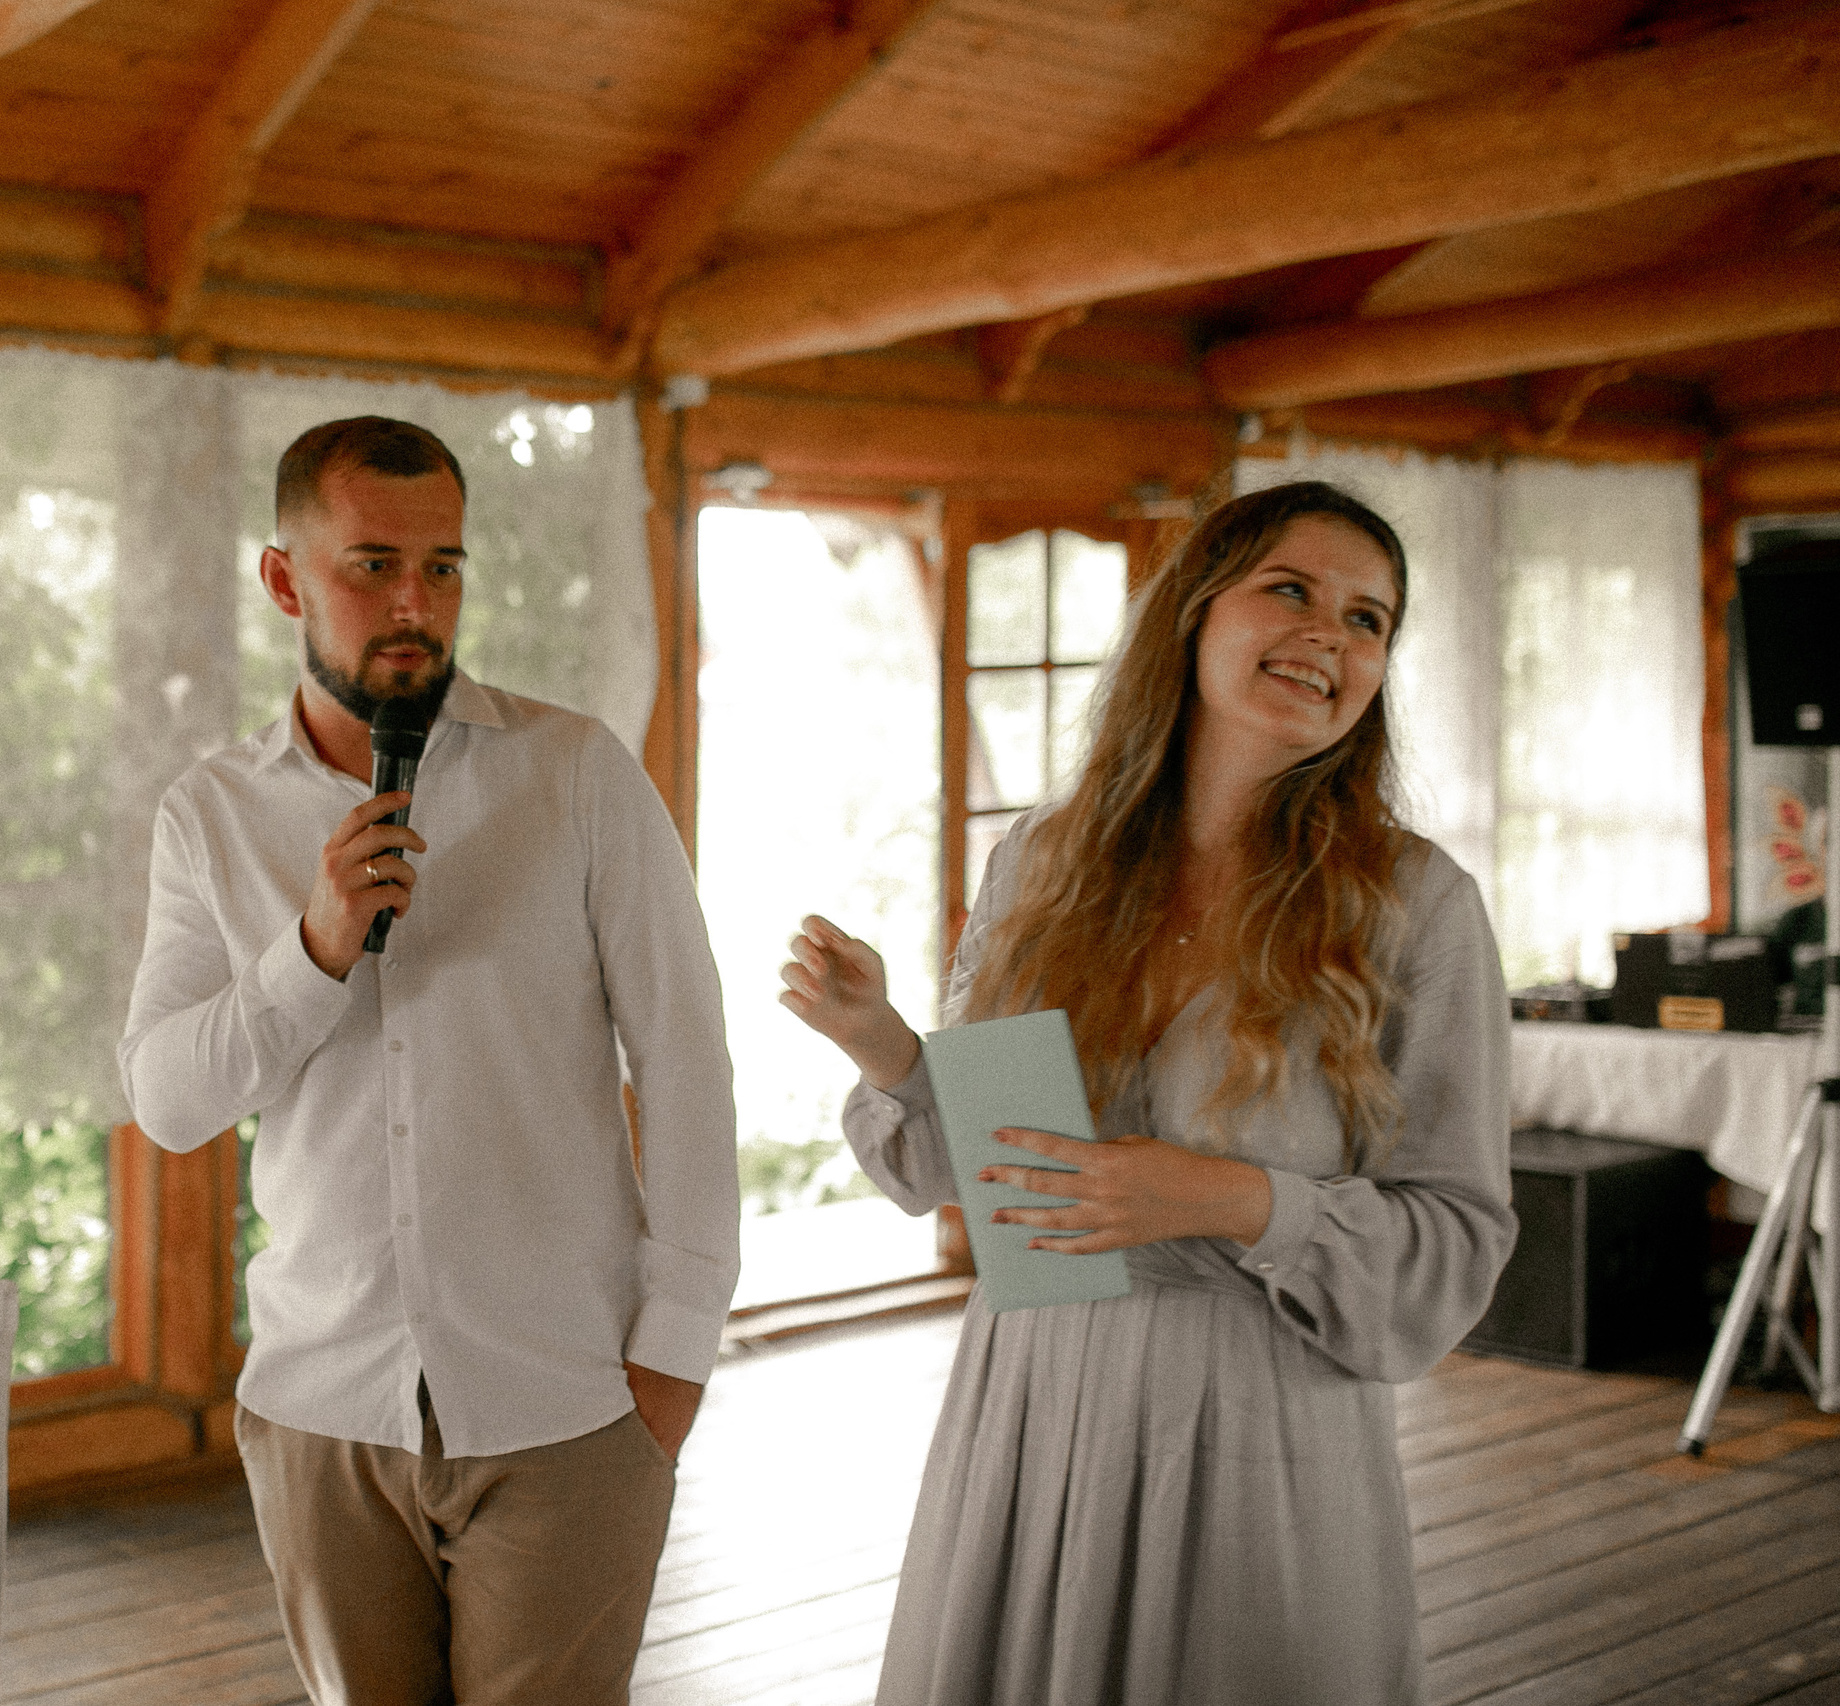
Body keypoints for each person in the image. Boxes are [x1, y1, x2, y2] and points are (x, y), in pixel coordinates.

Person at [779, 481, 1515, 1705]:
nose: (1330, 635)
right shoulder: (1044, 858)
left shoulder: (1417, 904)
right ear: (1193, 610)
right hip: (1031, 1402)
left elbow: (1455, 1240)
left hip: (1261, 1426)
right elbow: (1004, 1172)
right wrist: (888, 1047)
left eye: (1369, 618)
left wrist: (1232, 1199)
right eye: (1291, 588)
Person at [119, 416, 739, 1706]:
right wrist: (314, 946)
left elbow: (684, 1060)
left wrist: (674, 1352)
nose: (415, 603)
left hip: (567, 1400)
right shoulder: (210, 815)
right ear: (285, 579)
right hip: (322, 1406)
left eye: (443, 566)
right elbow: (169, 1100)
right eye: (372, 565)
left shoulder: (574, 772)